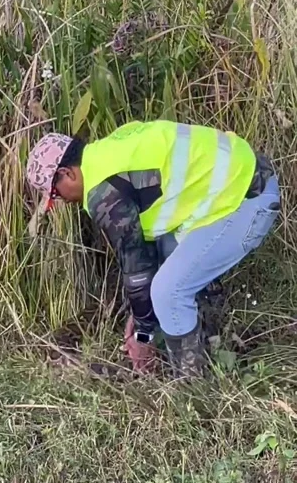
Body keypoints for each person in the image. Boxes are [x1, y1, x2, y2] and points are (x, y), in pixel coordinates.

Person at [26, 121, 280, 378]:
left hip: (246, 200)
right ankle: (213, 340)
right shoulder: (109, 151)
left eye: (56, 194)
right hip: (239, 184)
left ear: (68, 174)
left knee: (168, 291)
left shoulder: (102, 193)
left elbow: (136, 267)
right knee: (169, 265)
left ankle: (192, 390)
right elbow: (146, 253)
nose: (62, 201)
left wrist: (143, 335)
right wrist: (139, 317)